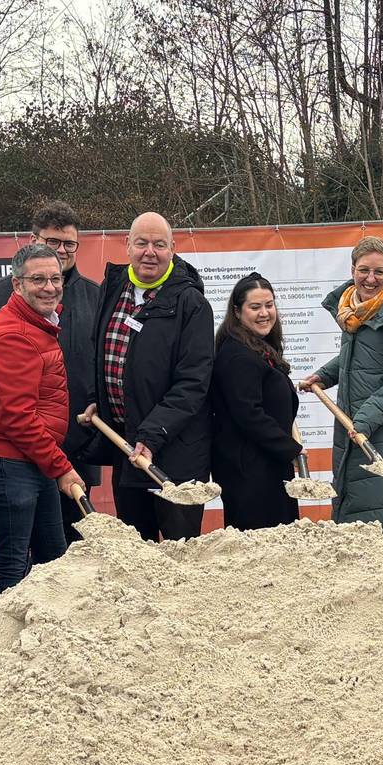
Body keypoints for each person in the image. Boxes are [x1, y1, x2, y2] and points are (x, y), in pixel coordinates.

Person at [0, 202, 102, 542]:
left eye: (69, 244)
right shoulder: (2, 293)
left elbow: (101, 365)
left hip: (77, 443)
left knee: (74, 547)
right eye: (52, 242)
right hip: (23, 448)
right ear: (33, 240)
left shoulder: (95, 295)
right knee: (22, 550)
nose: (61, 250)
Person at [84, 213, 214, 541]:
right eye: (141, 243)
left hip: (175, 457)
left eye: (159, 244)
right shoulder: (113, 288)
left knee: (179, 553)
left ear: (173, 249)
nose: (149, 252)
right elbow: (97, 351)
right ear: (127, 246)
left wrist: (153, 435)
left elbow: (193, 382)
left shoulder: (191, 303)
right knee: (136, 554)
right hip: (126, 448)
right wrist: (94, 398)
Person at [0, 244, 87, 595]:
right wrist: (62, 467)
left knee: (52, 554)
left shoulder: (38, 325)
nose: (49, 287)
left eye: (55, 278)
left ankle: (47, 637)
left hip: (31, 458)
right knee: (12, 560)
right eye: (38, 279)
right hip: (4, 459)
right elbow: (18, 417)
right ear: (17, 285)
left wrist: (51, 463)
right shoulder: (14, 334)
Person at [305, 236, 383, 533]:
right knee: (354, 530)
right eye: (364, 270)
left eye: (379, 271)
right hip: (359, 436)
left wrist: (361, 420)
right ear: (352, 270)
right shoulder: (356, 314)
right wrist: (324, 375)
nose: (371, 278)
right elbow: (361, 359)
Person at [209, 273, 302, 530]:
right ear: (237, 312)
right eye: (255, 307)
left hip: (267, 467)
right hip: (250, 474)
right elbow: (248, 414)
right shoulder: (237, 356)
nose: (264, 313)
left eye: (269, 305)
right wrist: (289, 448)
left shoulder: (257, 349)